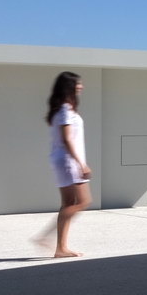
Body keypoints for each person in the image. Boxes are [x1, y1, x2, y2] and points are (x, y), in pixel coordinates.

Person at [35, 71, 91, 258]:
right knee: (83, 201)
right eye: (78, 84)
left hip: (62, 160)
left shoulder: (62, 109)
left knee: (68, 203)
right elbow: (67, 140)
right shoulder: (66, 110)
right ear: (69, 87)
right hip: (68, 161)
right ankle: (46, 237)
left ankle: (60, 248)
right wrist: (81, 164)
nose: (81, 86)